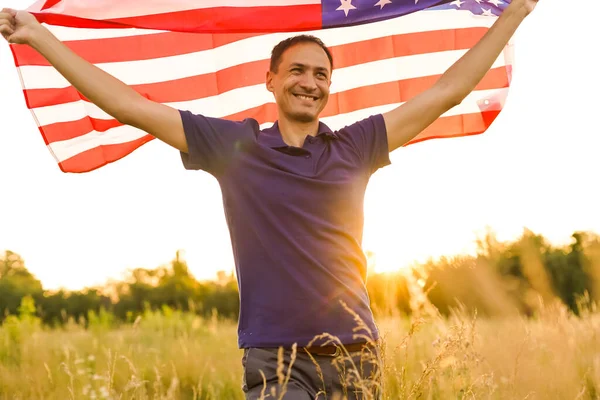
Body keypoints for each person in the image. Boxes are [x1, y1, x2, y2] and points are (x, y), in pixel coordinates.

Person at [0, 1, 539, 398]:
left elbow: (447, 92)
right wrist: (39, 36)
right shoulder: (235, 146)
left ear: (330, 87)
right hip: (278, 366)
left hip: (358, 361)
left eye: (321, 75)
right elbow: (126, 105)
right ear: (272, 82)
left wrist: (514, 14)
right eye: (298, 71)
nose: (310, 82)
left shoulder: (357, 145)